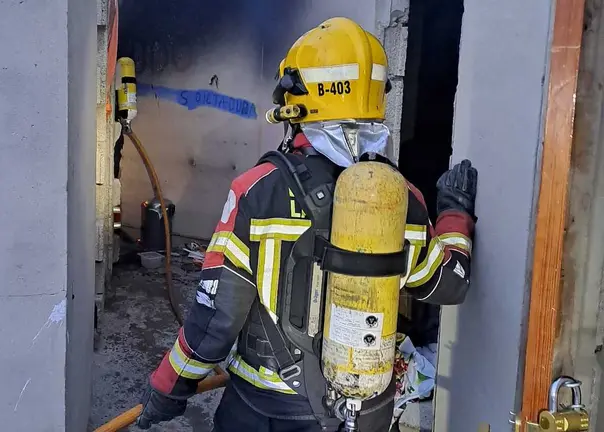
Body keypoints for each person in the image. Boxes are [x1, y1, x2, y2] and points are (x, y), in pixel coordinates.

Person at [136, 17, 477, 432]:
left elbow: (216, 319)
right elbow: (448, 284)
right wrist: (456, 216)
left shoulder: (257, 191)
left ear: (296, 103)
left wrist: (167, 389)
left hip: (262, 412)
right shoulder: (400, 199)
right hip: (361, 415)